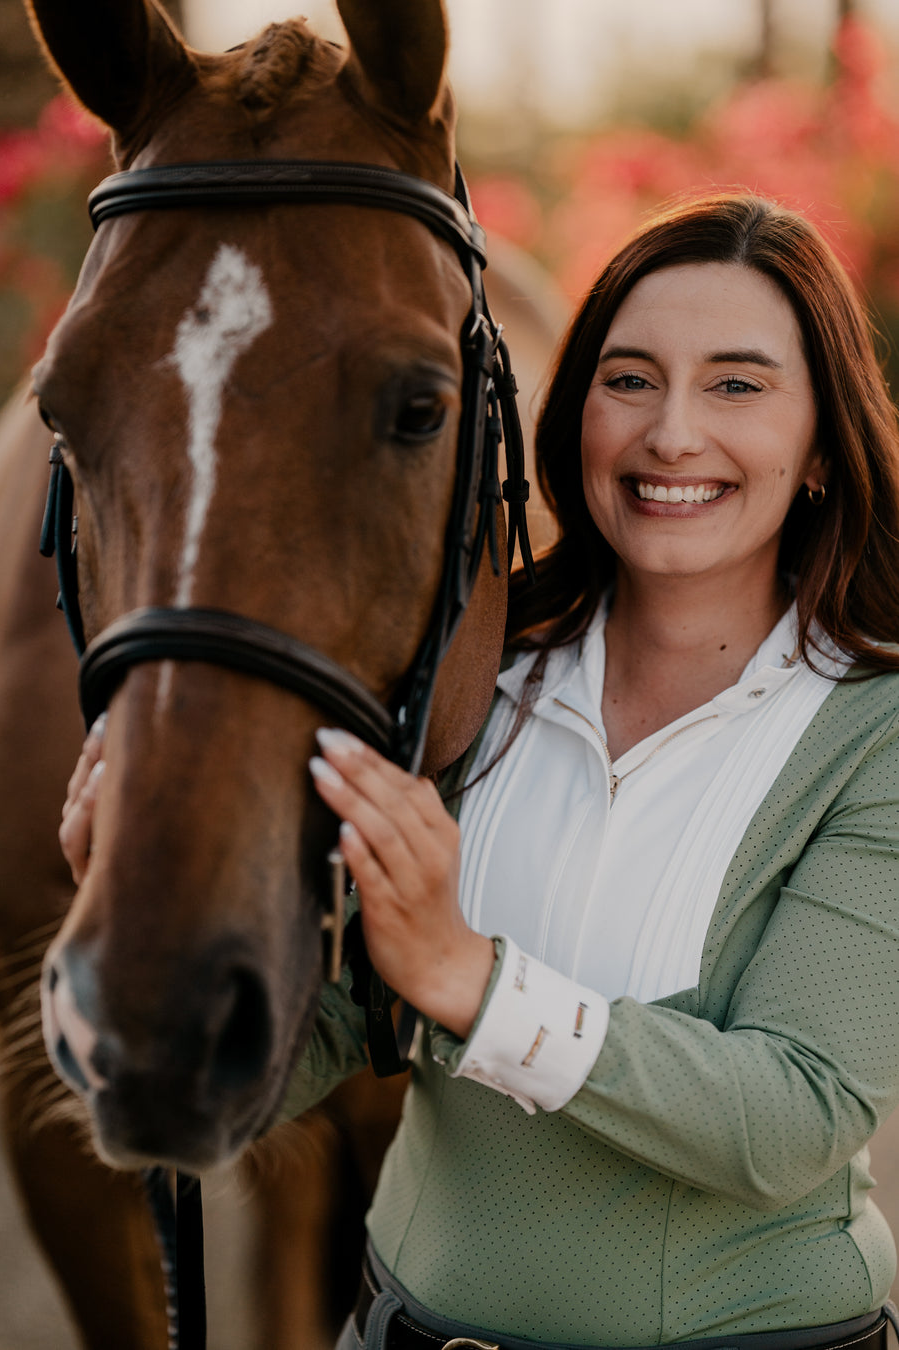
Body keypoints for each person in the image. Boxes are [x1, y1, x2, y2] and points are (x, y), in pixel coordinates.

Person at [62, 193, 899, 1350]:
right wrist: (152, 912)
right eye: (631, 378)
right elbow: (339, 1030)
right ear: (575, 415)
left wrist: (474, 978)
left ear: (818, 448)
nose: (672, 435)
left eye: (739, 386)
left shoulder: (874, 732)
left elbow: (791, 1118)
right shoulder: (471, 679)